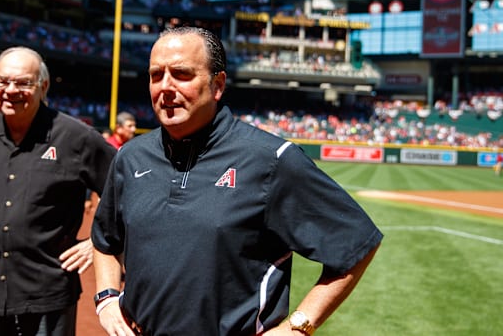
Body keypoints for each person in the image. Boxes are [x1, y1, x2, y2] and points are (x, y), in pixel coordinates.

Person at [91, 27, 383, 336]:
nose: (165, 87)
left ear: (217, 85)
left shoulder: (271, 159)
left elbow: (357, 244)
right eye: (155, 75)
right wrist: (107, 299)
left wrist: (298, 327)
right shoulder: (130, 157)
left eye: (181, 74)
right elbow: (105, 241)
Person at [0, 46, 116, 335]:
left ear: (44, 86)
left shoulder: (76, 137)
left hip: (48, 295)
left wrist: (96, 244)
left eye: (23, 83)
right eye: (2, 81)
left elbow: (123, 190)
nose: (10, 90)